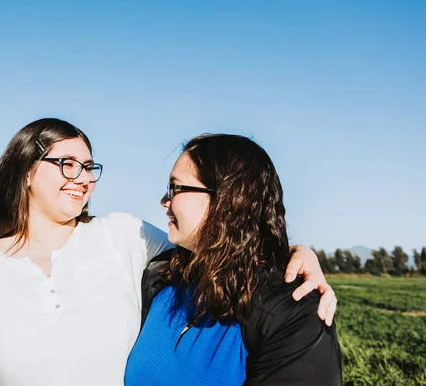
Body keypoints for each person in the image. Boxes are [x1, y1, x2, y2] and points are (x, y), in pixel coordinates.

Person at [0, 119, 337, 386]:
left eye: (89, 167)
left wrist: (298, 255)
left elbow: (228, 243)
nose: (83, 179)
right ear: (27, 171)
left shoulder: (123, 236)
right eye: (68, 164)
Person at [125, 134, 342, 386]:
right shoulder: (160, 277)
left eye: (176, 187)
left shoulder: (292, 312)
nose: (164, 200)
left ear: (226, 200)